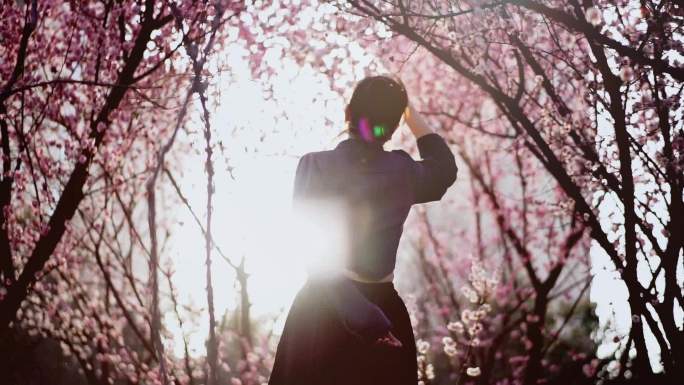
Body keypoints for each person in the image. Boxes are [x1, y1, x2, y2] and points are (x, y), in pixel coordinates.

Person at [269, 75, 457, 385]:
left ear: (349, 112)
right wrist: (408, 110)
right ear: (394, 125)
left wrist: (364, 317)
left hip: (320, 310)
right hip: (385, 309)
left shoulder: (314, 166)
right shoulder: (403, 171)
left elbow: (313, 255)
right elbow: (444, 168)